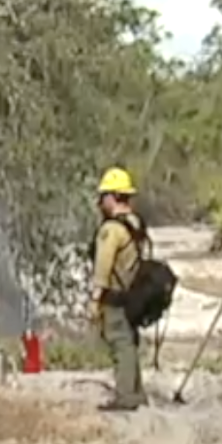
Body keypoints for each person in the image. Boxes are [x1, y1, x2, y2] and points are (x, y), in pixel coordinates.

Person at [89, 166, 150, 411]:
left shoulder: (111, 229)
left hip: (115, 296)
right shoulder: (135, 223)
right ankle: (136, 392)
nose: (100, 202)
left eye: (103, 196)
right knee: (129, 342)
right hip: (133, 294)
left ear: (112, 197)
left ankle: (125, 396)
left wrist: (95, 298)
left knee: (119, 343)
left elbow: (103, 265)